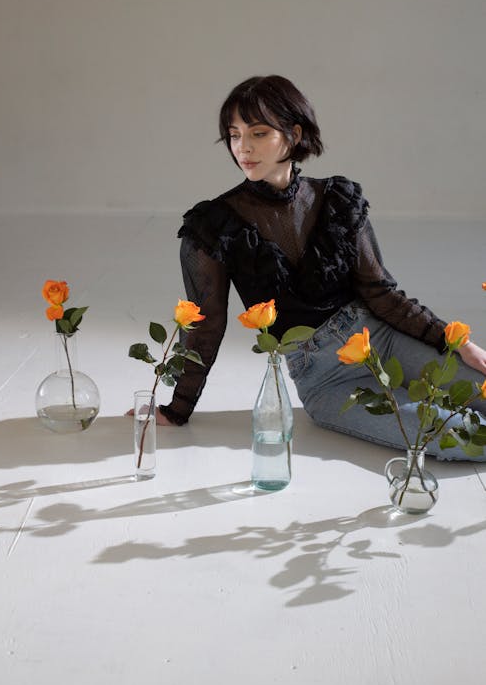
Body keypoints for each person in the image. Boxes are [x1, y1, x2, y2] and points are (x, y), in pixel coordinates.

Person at [157, 74, 486, 460]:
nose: (243, 147)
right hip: (323, 378)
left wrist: (459, 343)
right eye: (234, 135)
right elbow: (206, 323)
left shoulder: (337, 199)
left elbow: (381, 293)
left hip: (381, 340)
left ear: (294, 134)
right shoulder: (213, 225)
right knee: (461, 438)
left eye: (259, 133)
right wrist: (176, 408)